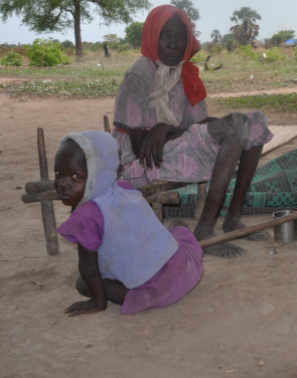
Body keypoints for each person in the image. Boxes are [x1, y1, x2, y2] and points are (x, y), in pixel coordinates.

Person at [112, 5, 274, 258]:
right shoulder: (140, 73)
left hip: (173, 145)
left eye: (180, 36)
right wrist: (168, 133)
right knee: (236, 126)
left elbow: (200, 124)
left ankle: (233, 219)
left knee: (255, 122)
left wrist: (165, 129)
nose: (173, 43)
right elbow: (138, 147)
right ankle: (205, 231)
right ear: (153, 36)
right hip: (141, 161)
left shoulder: (186, 72)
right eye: (165, 35)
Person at [54, 131, 203, 316]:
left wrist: (97, 301)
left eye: (76, 177)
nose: (63, 184)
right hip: (179, 268)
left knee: (83, 283)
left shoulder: (85, 217)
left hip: (156, 290)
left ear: (99, 174)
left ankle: (128, 295)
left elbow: (89, 267)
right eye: (59, 174)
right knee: (178, 228)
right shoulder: (124, 188)